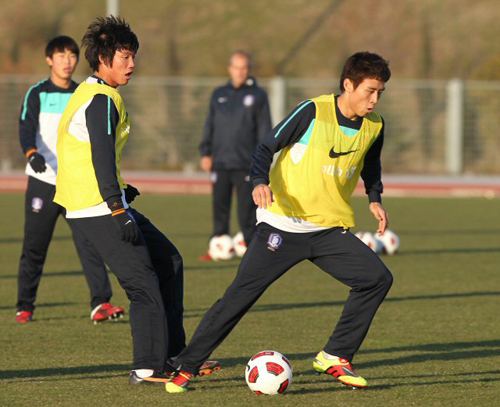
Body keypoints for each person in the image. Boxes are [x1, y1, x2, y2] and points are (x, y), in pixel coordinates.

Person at [166, 51, 394, 393]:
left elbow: (370, 164)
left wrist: (374, 198)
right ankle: (187, 365)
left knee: (376, 278)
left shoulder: (375, 126)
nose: (374, 99)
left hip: (328, 229)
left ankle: (335, 355)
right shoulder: (312, 111)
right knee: (239, 297)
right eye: (369, 91)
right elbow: (264, 148)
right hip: (282, 227)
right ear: (348, 84)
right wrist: (259, 181)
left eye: (380, 92)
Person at [54, 16, 219, 385]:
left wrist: (121, 195)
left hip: (103, 201)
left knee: (170, 261)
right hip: (97, 207)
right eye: (125, 57)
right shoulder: (100, 100)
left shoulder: (94, 94)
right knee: (142, 284)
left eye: (133, 57)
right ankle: (146, 367)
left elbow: (88, 154)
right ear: (103, 60)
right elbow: (98, 155)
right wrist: (116, 206)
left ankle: (176, 356)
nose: (132, 64)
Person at [16, 35, 124, 324]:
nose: (68, 61)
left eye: (72, 55)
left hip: (75, 183)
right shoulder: (37, 93)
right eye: (61, 55)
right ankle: (25, 305)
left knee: (90, 244)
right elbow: (25, 128)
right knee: (35, 245)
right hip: (42, 180)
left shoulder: (83, 94)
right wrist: (31, 153)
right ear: (50, 60)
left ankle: (101, 303)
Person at [199, 51, 272, 260]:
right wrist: (206, 152)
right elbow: (209, 125)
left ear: (248, 69)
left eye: (244, 68)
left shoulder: (258, 95)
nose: (240, 72)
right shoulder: (219, 93)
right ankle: (217, 246)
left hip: (245, 164)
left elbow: (264, 130)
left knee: (246, 212)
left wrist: (262, 161)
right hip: (220, 161)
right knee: (219, 208)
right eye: (236, 67)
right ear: (230, 69)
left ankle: (252, 248)